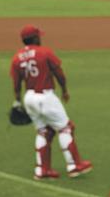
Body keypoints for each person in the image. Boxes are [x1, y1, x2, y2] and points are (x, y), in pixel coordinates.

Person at [9, 25, 94, 180]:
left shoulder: (17, 57)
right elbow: (58, 72)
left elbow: (16, 83)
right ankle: (74, 165)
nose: (40, 38)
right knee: (65, 128)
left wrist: (17, 101)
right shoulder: (45, 52)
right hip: (46, 96)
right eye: (38, 36)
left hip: (29, 97)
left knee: (43, 131)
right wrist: (64, 89)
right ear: (35, 38)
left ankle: (42, 170)